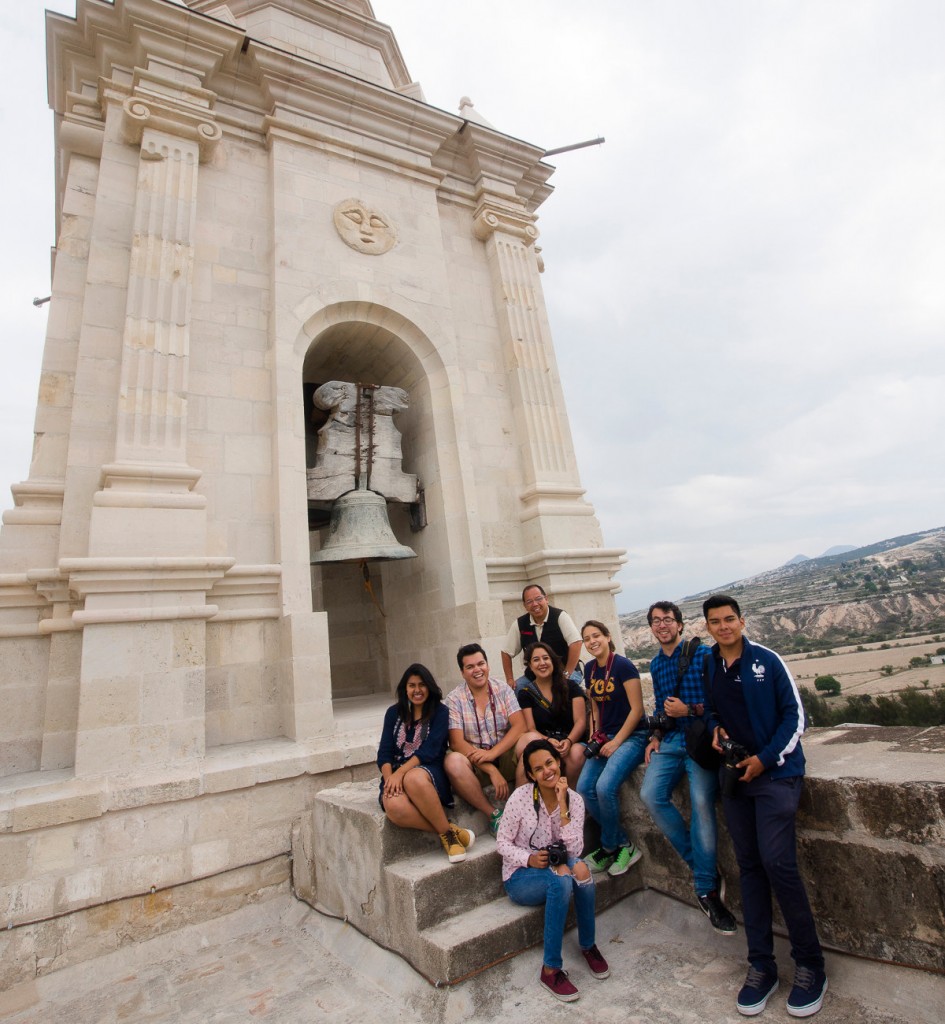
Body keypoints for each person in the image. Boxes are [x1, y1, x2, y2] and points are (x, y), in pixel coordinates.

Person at [702, 594, 827, 1019]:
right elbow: (712, 710)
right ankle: (762, 966)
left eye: (729, 619)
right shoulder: (709, 663)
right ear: (707, 626)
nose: (724, 627)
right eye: (715, 621)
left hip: (775, 774)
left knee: (778, 864)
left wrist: (764, 760)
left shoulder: (767, 661)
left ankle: (810, 965)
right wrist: (716, 730)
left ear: (741, 620)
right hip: (736, 777)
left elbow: (795, 719)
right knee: (749, 867)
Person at [640, 601, 737, 934]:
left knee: (700, 804)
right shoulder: (655, 664)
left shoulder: (702, 656)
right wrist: (654, 736)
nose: (662, 625)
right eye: (656, 621)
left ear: (680, 625)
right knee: (650, 795)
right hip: (670, 743)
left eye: (668, 620)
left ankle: (706, 889)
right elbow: (660, 707)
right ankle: (703, 869)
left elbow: (717, 701)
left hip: (699, 741)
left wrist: (689, 709)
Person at [496, 738, 610, 1002]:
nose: (547, 771)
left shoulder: (575, 800)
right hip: (520, 876)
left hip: (556, 863)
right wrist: (528, 858)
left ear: (558, 762)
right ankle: (550, 969)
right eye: (538, 769)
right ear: (531, 775)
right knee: (561, 881)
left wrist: (563, 808)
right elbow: (502, 842)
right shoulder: (520, 798)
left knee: (580, 869)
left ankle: (588, 945)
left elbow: (575, 850)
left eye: (549, 763)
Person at [377, 664, 474, 863]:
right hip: (395, 773)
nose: (417, 690)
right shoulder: (393, 713)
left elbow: (430, 750)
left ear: (429, 687)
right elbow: (384, 752)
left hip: (428, 770)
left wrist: (401, 773)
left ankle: (449, 840)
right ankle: (450, 830)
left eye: (422, 685)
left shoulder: (440, 712)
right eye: (411, 685)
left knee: (414, 779)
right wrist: (389, 779)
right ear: (405, 688)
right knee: (394, 807)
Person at [444, 643, 540, 835]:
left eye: (480, 664)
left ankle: (518, 807)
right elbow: (456, 742)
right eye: (470, 667)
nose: (477, 670)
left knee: (533, 739)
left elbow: (520, 725)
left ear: (487, 665)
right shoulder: (454, 699)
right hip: (475, 760)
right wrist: (491, 769)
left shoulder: (502, 689)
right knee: (453, 761)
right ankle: (493, 815)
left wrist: (493, 753)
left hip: (503, 753)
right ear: (462, 672)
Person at [576, 619, 647, 876]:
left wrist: (617, 742)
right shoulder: (591, 669)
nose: (592, 641)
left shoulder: (624, 666)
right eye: (587, 638)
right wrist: (596, 733)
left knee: (605, 788)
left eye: (596, 635)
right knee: (584, 788)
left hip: (632, 736)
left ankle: (612, 846)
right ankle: (621, 843)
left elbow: (637, 709)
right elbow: (594, 705)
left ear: (607, 636)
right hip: (605, 736)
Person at [516, 642, 587, 788]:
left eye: (545, 658)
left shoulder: (571, 687)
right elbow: (531, 728)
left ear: (552, 661)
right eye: (536, 660)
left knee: (576, 753)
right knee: (531, 754)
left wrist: (569, 741)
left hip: (571, 740)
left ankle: (571, 796)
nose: (542, 663)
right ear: (530, 665)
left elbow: (580, 721)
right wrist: (548, 740)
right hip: (544, 742)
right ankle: (520, 804)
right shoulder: (526, 694)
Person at [501, 584, 583, 688]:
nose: (535, 604)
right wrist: (510, 679)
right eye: (529, 601)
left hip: (564, 673)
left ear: (546, 599)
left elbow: (576, 642)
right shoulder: (520, 624)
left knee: (561, 691)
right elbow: (506, 652)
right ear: (525, 606)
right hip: (535, 677)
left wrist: (567, 674)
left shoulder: (560, 617)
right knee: (518, 690)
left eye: (538, 599)